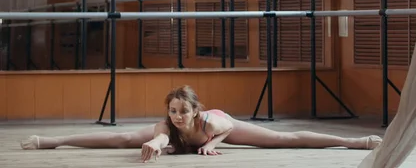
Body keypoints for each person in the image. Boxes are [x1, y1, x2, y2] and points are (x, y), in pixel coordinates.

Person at [20, 85, 382, 162]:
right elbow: (160, 138)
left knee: (281, 139)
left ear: (194, 110)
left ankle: (356, 143)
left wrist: (212, 143)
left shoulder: (210, 119)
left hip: (221, 131)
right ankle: (50, 141)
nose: (178, 115)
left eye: (183, 110)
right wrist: (155, 145)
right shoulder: (167, 126)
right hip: (197, 139)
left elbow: (224, 128)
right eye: (173, 111)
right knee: (125, 136)